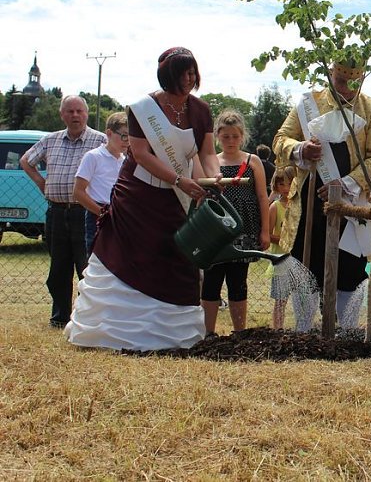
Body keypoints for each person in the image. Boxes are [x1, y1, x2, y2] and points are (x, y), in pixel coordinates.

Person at [65, 47, 221, 350]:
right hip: (138, 199)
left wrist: (214, 177)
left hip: (177, 198)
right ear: (168, 76)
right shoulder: (142, 108)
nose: (190, 78)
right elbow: (140, 153)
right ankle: (112, 334)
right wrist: (178, 179)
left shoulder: (201, 110)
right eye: (183, 73)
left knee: (177, 258)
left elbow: (208, 153)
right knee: (128, 255)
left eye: (193, 72)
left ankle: (174, 336)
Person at [272, 59, 371, 329]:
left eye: (353, 83)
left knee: (350, 270)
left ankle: (346, 332)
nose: (347, 88)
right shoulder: (307, 104)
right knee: (306, 267)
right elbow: (280, 140)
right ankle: (304, 329)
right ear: (330, 74)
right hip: (310, 205)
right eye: (341, 81)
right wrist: (300, 148)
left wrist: (344, 183)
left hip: (351, 203)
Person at [20, 95, 106, 328]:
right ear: (62, 115)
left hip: (86, 213)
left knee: (86, 266)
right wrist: (41, 182)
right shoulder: (51, 140)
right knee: (58, 268)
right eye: (70, 111)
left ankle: (84, 317)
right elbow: (26, 161)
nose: (75, 115)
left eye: (79, 111)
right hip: (56, 212)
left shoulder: (101, 141)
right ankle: (59, 317)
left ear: (87, 114)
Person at [201, 111, 271, 336]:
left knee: (237, 280)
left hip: (244, 229)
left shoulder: (253, 161)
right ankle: (208, 333)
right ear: (217, 137)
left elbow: (262, 197)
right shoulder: (211, 162)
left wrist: (265, 231)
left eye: (234, 136)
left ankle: (239, 333)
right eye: (225, 136)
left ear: (242, 136)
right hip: (215, 230)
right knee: (211, 280)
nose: (230, 141)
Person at [73, 111, 130, 255]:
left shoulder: (126, 161)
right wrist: (102, 213)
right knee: (96, 259)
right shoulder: (93, 157)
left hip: (121, 217)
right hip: (98, 215)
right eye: (123, 135)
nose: (127, 141)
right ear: (109, 134)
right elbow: (78, 192)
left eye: (130, 136)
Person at [269, 166, 296, 330]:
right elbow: (268, 234)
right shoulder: (275, 207)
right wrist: (285, 240)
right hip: (281, 259)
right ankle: (278, 328)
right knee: (281, 299)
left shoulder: (298, 207)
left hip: (297, 258)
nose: (286, 189)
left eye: (289, 184)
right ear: (276, 186)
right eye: (281, 185)